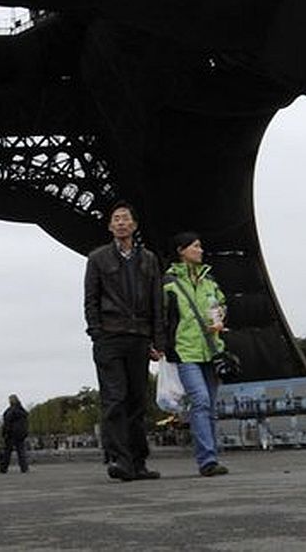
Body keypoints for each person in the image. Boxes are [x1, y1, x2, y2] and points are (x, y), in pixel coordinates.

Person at [83, 201, 165, 482]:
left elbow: (157, 300)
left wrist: (159, 339)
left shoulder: (150, 260)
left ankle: (138, 461)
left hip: (139, 336)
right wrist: (96, 332)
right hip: (110, 335)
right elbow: (91, 299)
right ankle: (121, 459)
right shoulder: (97, 258)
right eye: (115, 218)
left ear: (134, 225)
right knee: (115, 399)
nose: (120, 222)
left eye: (125, 218)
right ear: (109, 225)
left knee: (137, 401)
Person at [161, 231, 229, 477]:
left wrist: (220, 317)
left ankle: (211, 456)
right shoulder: (168, 283)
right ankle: (207, 460)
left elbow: (221, 305)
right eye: (196, 246)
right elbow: (161, 315)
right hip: (185, 350)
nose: (201, 250)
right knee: (200, 401)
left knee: (209, 406)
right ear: (181, 250)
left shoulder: (209, 281)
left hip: (211, 349)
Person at [0, 395, 29, 473]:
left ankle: (4, 468)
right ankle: (24, 467)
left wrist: (5, 433)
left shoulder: (10, 411)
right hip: (21, 433)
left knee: (7, 452)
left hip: (11, 433)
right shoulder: (22, 411)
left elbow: (7, 423)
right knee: (21, 451)